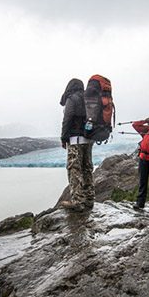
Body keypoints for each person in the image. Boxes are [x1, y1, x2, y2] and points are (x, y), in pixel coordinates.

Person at [59, 78, 95, 211]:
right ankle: (89, 199)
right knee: (87, 168)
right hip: (89, 139)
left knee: (74, 169)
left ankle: (78, 201)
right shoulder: (89, 99)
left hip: (76, 140)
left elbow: (67, 119)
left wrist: (64, 138)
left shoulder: (72, 98)